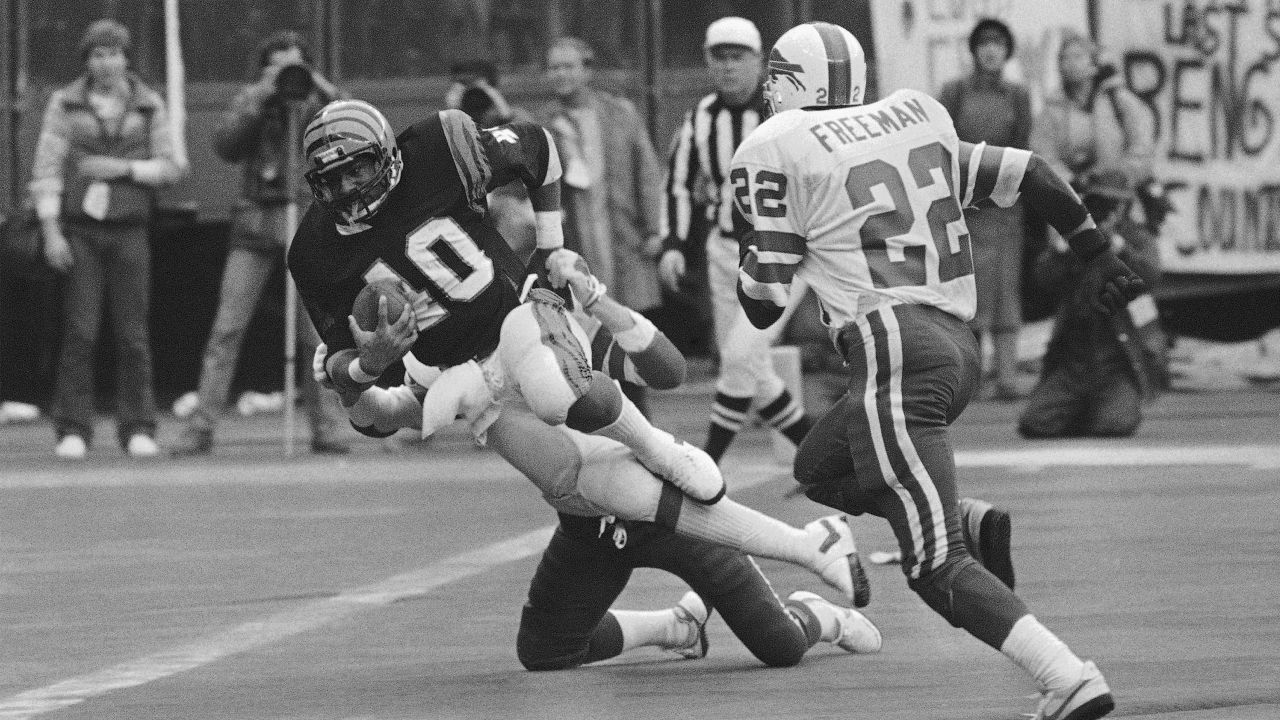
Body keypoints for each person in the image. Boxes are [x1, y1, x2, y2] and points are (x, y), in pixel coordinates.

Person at [732, 22, 1147, 720]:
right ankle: (963, 518)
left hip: (895, 348)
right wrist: (1095, 252)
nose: (768, 86)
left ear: (796, 80)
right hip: (957, 347)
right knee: (819, 465)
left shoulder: (778, 147)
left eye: (776, 72)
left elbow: (763, 302)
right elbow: (1033, 175)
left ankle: (1067, 675)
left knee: (934, 565)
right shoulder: (914, 115)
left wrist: (762, 240)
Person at [315, 262, 882, 669]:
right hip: (585, 519)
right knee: (546, 652)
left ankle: (817, 608)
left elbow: (668, 370)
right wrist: (352, 379)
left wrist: (598, 300)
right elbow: (386, 417)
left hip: (661, 505)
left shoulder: (542, 315)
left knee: (779, 646)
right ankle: (675, 626)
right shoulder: (439, 359)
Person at [289, 98, 735, 511]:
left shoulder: (438, 149)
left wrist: (549, 247)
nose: (348, 189)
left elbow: (538, 150)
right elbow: (350, 388)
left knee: (621, 382)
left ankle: (657, 449)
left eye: (358, 170)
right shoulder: (314, 251)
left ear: (386, 153)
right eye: (332, 180)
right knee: (577, 495)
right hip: (467, 379)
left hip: (519, 311)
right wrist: (368, 366)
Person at [173, 30, 348, 456]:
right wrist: (261, 98)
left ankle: (326, 426)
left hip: (305, 221)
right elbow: (226, 145)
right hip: (254, 223)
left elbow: (349, 128)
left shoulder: (316, 99)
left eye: (295, 65)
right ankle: (201, 428)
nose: (288, 76)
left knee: (315, 331)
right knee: (227, 328)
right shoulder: (254, 98)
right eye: (279, 66)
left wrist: (316, 86)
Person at [657, 16, 815, 462]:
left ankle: (708, 465)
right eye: (719, 57)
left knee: (741, 356)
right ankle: (825, 457)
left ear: (759, 61)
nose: (728, 67)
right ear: (708, 63)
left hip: (780, 252)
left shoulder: (786, 114)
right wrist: (672, 243)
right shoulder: (700, 118)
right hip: (724, 251)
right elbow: (679, 184)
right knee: (750, 366)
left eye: (737, 57)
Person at [28, 19, 185, 459]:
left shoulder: (149, 105)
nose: (107, 62)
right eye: (98, 54)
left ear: (127, 58)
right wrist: (52, 231)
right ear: (88, 60)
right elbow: (46, 169)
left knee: (133, 333)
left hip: (130, 231)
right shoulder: (65, 104)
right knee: (80, 330)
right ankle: (73, 428)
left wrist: (121, 170)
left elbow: (171, 168)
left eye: (114, 53)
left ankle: (137, 426)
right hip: (80, 231)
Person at [539, 36, 664, 415]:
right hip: (578, 246)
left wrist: (656, 228)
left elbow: (646, 169)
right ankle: (604, 422)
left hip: (623, 240)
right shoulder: (546, 123)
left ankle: (639, 420)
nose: (561, 74)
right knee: (587, 339)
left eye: (569, 66)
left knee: (629, 331)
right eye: (554, 67)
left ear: (587, 70)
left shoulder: (619, 113)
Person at [1018, 171, 1167, 438]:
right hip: (1074, 358)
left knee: (1115, 425)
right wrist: (1063, 252)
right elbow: (1041, 280)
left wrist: (1120, 248)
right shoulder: (1075, 234)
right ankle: (1081, 407)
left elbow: (1152, 276)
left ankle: (1099, 407)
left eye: (1113, 204)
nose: (1107, 211)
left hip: (1118, 358)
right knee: (1035, 424)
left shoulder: (1135, 237)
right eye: (1099, 203)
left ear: (1124, 206)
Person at [937, 18, 1032, 401]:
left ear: (1007, 51)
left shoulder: (1018, 95)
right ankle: (970, 379)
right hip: (964, 205)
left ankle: (1007, 376)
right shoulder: (954, 91)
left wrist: (1007, 188)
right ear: (974, 50)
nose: (992, 49)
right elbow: (940, 142)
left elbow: (1024, 146)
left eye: (999, 43)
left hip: (1006, 206)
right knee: (967, 290)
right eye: (985, 43)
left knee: (1007, 290)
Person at [1030, 30, 1153, 190]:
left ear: (1094, 64)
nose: (1069, 63)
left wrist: (1124, 174)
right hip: (1072, 197)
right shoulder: (1053, 108)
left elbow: (1143, 144)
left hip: (1120, 195)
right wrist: (1069, 181)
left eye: (1078, 56)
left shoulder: (1118, 100)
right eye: (1064, 58)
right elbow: (1043, 153)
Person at [445, 59, 538, 262]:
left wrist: (504, 116)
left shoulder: (515, 118)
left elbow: (533, 158)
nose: (474, 96)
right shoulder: (446, 125)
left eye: (480, 88)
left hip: (511, 210)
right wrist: (451, 114)